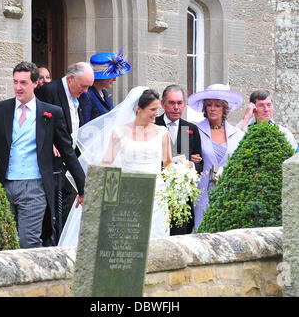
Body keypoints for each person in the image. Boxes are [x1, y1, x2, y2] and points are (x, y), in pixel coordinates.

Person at [0, 61, 85, 248]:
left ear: (35, 83)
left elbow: (67, 151)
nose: (18, 87)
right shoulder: (0, 109)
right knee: (3, 243)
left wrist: (82, 187)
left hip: (35, 187)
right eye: (15, 82)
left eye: (23, 83)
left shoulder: (51, 112)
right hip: (3, 185)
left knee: (27, 242)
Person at [58, 87, 173, 246]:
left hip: (156, 196)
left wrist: (181, 176)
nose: (156, 113)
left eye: (157, 109)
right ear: (139, 109)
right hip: (127, 193)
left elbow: (168, 165)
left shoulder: (162, 133)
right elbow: (106, 165)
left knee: (155, 241)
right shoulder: (119, 132)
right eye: (152, 109)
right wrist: (91, 191)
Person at [36, 62, 94, 242]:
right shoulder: (49, 91)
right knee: (51, 211)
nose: (85, 91)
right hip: (52, 163)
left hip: (69, 159)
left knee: (64, 208)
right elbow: (38, 123)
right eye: (83, 85)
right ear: (70, 79)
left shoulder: (81, 95)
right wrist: (49, 141)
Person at [187, 83, 245, 230]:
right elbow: (182, 159)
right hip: (202, 192)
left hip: (228, 192)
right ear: (204, 108)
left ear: (225, 108)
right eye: (209, 105)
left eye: (217, 105)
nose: (212, 109)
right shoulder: (193, 131)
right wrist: (190, 160)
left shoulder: (238, 135)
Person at [155, 84, 203, 235]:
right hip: (158, 194)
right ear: (163, 104)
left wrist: (190, 164)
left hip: (182, 197)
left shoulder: (190, 129)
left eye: (180, 103)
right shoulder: (154, 124)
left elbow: (200, 164)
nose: (176, 107)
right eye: (171, 103)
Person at [79, 51, 131, 123]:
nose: (115, 79)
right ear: (102, 77)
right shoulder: (87, 95)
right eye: (111, 76)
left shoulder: (104, 93)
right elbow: (84, 124)